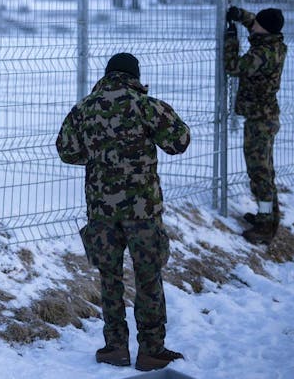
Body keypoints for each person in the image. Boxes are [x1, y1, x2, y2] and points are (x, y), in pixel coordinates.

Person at [56, 53, 190, 372]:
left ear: (107, 75)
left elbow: (66, 149)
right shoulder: (146, 106)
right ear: (134, 76)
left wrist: (98, 155)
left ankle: (115, 346)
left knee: (109, 277)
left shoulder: (85, 107)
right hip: (143, 209)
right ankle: (151, 349)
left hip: (101, 208)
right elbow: (179, 141)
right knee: (148, 275)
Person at [224, 6, 287, 244]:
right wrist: (240, 15)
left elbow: (233, 67)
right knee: (265, 171)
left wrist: (231, 42)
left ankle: (265, 226)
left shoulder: (263, 54)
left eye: (257, 23)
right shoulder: (275, 43)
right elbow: (256, 23)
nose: (254, 25)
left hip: (260, 120)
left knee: (259, 172)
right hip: (266, 116)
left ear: (265, 28)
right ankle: (268, 215)